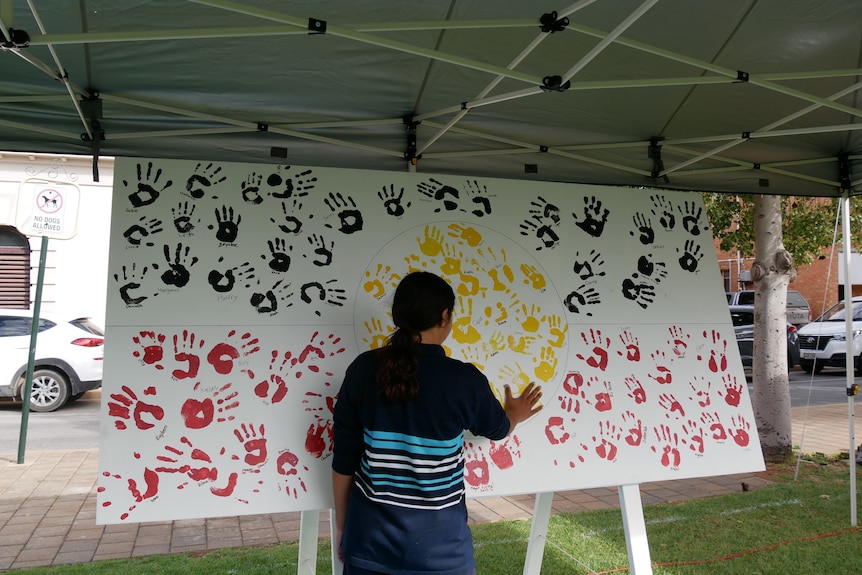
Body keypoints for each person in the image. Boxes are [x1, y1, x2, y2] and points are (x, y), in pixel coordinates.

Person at [332, 270, 543, 575]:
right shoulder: (463, 380)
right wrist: (516, 413)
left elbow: (344, 462)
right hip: (441, 553)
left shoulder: (363, 370)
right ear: (445, 316)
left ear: (398, 315)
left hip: (368, 545)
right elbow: (497, 428)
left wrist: (343, 528)